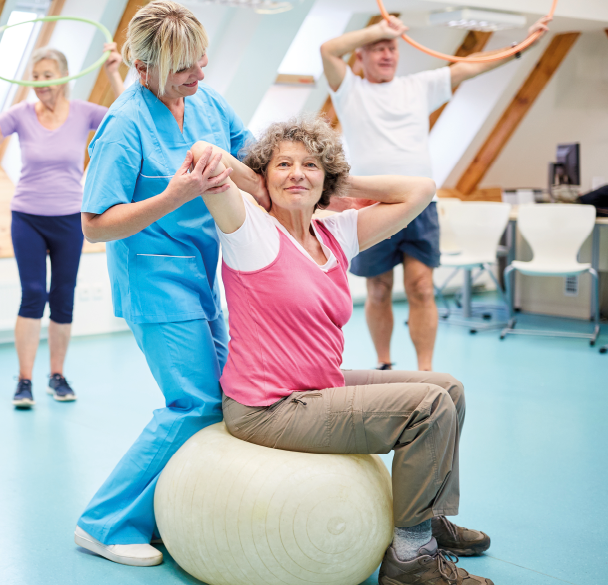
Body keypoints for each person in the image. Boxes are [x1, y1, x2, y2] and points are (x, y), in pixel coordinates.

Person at [191, 116, 494, 585]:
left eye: (310, 165)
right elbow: (203, 156)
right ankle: (411, 559)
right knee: (428, 407)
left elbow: (421, 189)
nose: (297, 173)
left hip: (317, 385)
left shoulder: (335, 233)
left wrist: (336, 177)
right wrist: (264, 184)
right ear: (263, 176)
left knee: (447, 388)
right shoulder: (249, 228)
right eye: (284, 165)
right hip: (269, 406)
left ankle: (427, 521)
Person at [73, 1, 270, 567]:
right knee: (196, 401)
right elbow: (95, 226)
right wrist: (175, 195)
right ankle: (103, 522)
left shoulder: (207, 101)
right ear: (142, 66)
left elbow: (249, 159)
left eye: (201, 59)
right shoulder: (125, 124)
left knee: (229, 396)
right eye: (184, 67)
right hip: (153, 276)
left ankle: (163, 512)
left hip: (204, 274)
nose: (199, 74)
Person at [321, 15, 550, 371]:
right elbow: (328, 50)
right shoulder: (350, 90)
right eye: (377, 48)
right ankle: (384, 365)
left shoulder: (419, 86)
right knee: (379, 289)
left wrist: (523, 47)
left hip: (420, 205)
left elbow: (471, 68)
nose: (386, 54)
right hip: (370, 204)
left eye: (391, 48)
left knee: (422, 287)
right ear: (361, 56)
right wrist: (382, 29)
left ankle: (425, 371)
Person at [0, 44, 125, 409]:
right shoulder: (22, 114)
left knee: (63, 297)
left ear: (65, 77)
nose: (39, 83)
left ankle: (57, 375)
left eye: (47, 75)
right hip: (28, 217)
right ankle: (24, 380)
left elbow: (129, 121)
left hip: (70, 218)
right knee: (34, 293)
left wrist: (115, 73)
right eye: (35, 76)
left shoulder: (83, 113)